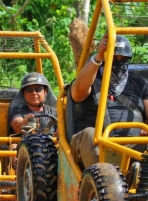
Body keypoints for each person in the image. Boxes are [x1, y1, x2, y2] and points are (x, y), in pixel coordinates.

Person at [69, 34, 148, 171]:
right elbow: (77, 94)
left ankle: (130, 175)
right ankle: (107, 177)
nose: (118, 62)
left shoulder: (140, 84)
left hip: (131, 148)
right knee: (89, 133)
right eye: (113, 57)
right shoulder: (91, 79)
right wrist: (98, 56)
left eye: (122, 59)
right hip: (95, 146)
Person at [9, 72, 58, 168]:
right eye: (29, 90)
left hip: (51, 149)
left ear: (45, 92)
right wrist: (24, 122)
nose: (34, 93)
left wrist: (59, 133)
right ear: (23, 93)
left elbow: (62, 129)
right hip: (25, 149)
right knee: (13, 146)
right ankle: (17, 177)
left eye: (38, 89)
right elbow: (16, 123)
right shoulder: (18, 111)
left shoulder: (55, 112)